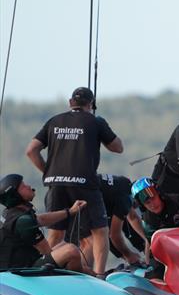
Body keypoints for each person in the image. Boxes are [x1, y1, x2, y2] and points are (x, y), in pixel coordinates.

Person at [25, 87, 123, 275]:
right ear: (91, 104)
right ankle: (99, 276)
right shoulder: (96, 121)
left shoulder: (54, 121)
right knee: (99, 230)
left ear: (70, 102)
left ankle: (44, 270)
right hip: (85, 182)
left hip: (56, 183)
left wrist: (48, 172)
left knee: (56, 232)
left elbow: (31, 150)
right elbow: (118, 147)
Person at [0, 174, 90, 273]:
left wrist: (70, 211)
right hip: (20, 271)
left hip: (21, 264)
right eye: (23, 186)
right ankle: (80, 280)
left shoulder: (11, 213)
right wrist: (82, 269)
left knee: (65, 247)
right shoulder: (23, 221)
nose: (28, 186)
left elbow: (41, 219)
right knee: (71, 251)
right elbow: (47, 252)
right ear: (15, 196)